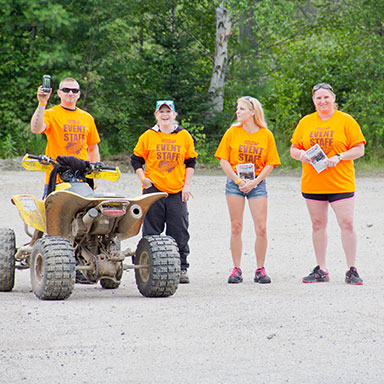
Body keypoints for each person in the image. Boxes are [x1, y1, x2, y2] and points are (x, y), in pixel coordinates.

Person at [290, 83, 366, 285]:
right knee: (318, 225)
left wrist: (340, 156)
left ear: (333, 98)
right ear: (313, 101)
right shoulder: (306, 122)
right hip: (313, 183)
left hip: (341, 183)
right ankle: (321, 269)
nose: (322, 101)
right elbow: (294, 149)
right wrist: (301, 155)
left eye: (326, 97)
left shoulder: (346, 121)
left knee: (347, 224)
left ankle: (351, 268)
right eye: (318, 98)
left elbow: (359, 149)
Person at [215, 96, 280, 284]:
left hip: (257, 185)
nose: (238, 111)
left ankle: (260, 269)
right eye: (237, 108)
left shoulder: (265, 135)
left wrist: (255, 182)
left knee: (261, 227)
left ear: (253, 112)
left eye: (242, 109)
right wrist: (237, 180)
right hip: (235, 184)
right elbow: (223, 160)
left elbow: (271, 163)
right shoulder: (232, 132)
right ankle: (236, 269)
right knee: (236, 226)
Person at [131, 100, 197, 284]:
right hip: (154, 189)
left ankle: (181, 267)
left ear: (174, 114)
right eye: (162, 111)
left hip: (177, 190)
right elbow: (136, 159)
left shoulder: (184, 136)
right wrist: (142, 178)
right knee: (152, 230)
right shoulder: (148, 136)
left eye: (169, 111)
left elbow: (190, 162)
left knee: (179, 230)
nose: (165, 114)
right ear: (156, 115)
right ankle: (150, 266)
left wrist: (187, 185)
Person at [30, 77, 101, 194]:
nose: (70, 93)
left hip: (82, 179)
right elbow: (36, 129)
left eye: (74, 91)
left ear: (79, 94)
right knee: (52, 211)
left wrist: (94, 176)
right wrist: (42, 103)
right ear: (59, 93)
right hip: (57, 178)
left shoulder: (87, 118)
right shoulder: (51, 114)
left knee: (86, 211)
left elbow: (93, 148)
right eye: (66, 90)